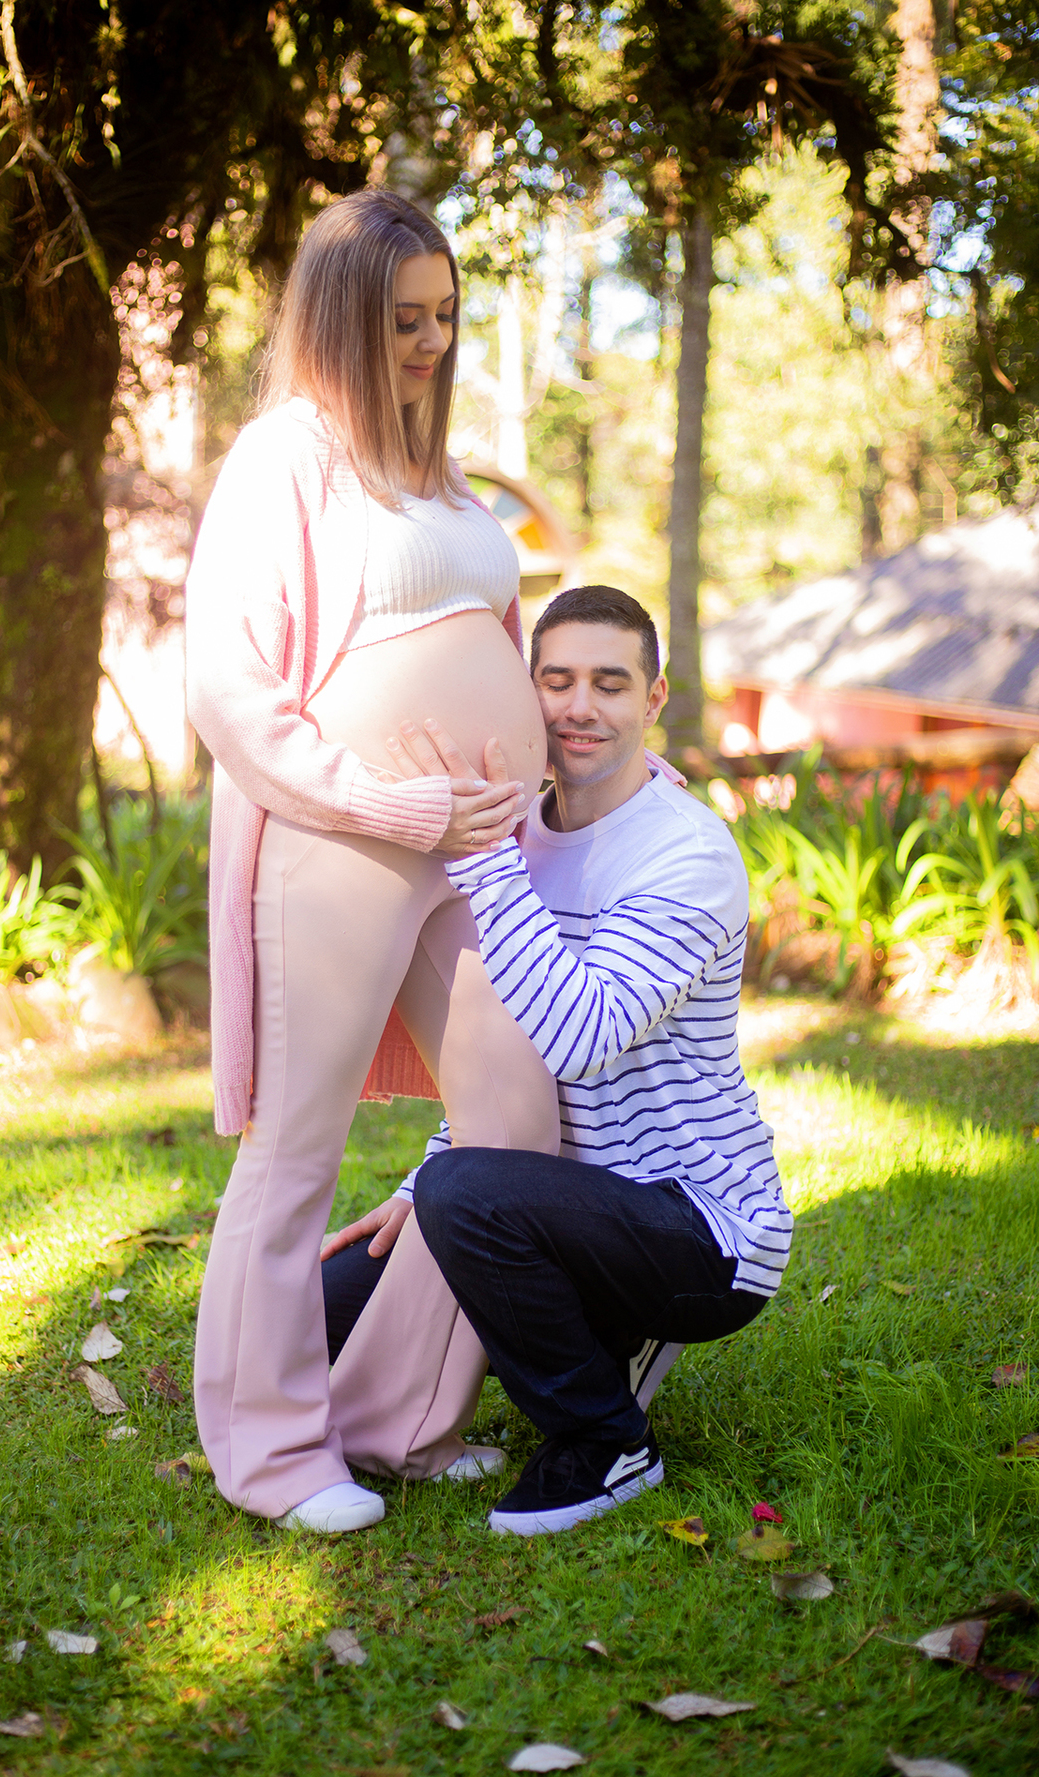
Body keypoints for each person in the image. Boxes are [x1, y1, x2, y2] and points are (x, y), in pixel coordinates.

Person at [185, 189, 564, 1536]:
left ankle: (396, 1416)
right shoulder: (283, 458)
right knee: (298, 1147)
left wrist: (571, 771)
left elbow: (493, 647)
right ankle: (275, 1454)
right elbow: (227, 687)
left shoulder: (438, 470)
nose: (433, 342)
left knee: (518, 1118)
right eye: (407, 320)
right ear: (342, 318)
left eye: (447, 316)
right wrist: (388, 803)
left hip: (477, 854)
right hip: (341, 840)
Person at [322, 585, 793, 1535]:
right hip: (546, 1192)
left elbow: (579, 1035)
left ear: (653, 699)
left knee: (467, 1198)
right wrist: (423, 1183)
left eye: (609, 684)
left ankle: (607, 1438)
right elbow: (496, 1048)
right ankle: (566, 1319)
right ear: (527, 689)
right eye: (557, 681)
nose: (580, 708)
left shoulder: (687, 855)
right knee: (324, 1308)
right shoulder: (522, 833)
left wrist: (484, 857)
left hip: (699, 1229)